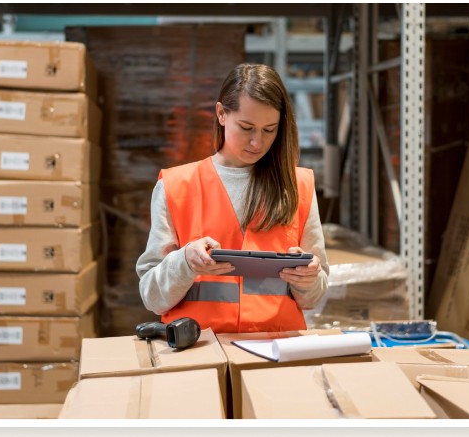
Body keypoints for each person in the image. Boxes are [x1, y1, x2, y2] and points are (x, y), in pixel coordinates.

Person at [136, 63, 330, 333]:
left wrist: (307, 279)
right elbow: (152, 297)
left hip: (276, 357)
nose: (257, 143)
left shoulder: (298, 186)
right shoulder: (176, 186)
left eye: (269, 129)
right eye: (247, 127)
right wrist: (185, 263)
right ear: (221, 114)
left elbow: (314, 297)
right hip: (199, 355)